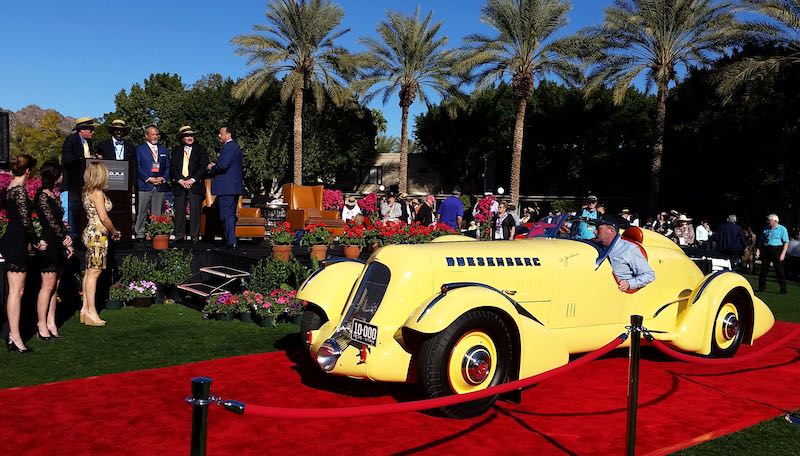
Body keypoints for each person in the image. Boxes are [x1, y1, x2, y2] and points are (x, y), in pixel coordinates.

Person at [1, 155, 47, 353]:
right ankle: (15, 336)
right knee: (16, 291)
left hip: (13, 238)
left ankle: (13, 335)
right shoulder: (19, 191)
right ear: (28, 171)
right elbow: (26, 221)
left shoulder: (10, 188)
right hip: (17, 240)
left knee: (16, 291)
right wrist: (37, 241)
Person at [34, 162, 74, 340]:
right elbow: (51, 223)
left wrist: (66, 238)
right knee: (47, 285)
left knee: (55, 285)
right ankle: (41, 324)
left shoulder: (52, 194)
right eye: (60, 174)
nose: (62, 177)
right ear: (54, 176)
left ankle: (51, 322)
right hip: (49, 243)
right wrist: (64, 238)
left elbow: (59, 222)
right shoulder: (41, 196)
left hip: (58, 242)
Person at [81, 162, 122, 326]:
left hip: (90, 232)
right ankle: (91, 311)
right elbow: (104, 218)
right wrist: (114, 232)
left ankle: (85, 309)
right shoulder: (97, 193)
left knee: (88, 272)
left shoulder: (87, 191)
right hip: (97, 236)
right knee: (94, 273)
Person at [61, 117, 100, 238]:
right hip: (72, 183)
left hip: (84, 182)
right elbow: (67, 159)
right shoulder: (71, 140)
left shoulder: (88, 142)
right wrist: (83, 160)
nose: (93, 132)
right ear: (82, 130)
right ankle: (68, 234)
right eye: (91, 129)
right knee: (69, 210)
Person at [170, 126, 209, 244]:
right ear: (182, 138)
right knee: (179, 209)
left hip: (195, 184)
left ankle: (194, 236)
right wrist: (180, 180)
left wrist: (192, 179)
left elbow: (203, 166)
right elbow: (172, 167)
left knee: (195, 210)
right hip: (179, 184)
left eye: (191, 135)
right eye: (187, 136)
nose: (190, 137)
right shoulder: (176, 150)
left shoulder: (200, 149)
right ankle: (179, 235)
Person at [207, 126, 243, 250]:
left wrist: (212, 167)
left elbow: (223, 165)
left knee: (226, 215)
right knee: (230, 214)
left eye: (221, 133)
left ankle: (231, 241)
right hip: (232, 187)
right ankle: (230, 240)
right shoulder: (234, 147)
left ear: (228, 134)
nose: (219, 135)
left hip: (227, 187)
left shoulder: (229, 147)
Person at [595, 220, 655, 292]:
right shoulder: (597, 244)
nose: (594, 232)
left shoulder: (629, 249)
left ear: (610, 231)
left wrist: (629, 284)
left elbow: (649, 275)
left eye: (598, 229)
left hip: (618, 294)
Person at [134, 125, 170, 240]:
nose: (155, 136)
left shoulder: (164, 149)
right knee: (142, 211)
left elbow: (168, 167)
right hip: (145, 185)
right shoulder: (139, 149)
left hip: (160, 185)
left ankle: (155, 233)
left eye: (157, 134)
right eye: (152, 134)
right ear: (146, 136)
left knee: (157, 212)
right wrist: (148, 178)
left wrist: (163, 178)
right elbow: (137, 167)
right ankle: (139, 233)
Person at [756, 214, 789, 294]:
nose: (768, 221)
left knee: (779, 271)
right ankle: (761, 288)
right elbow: (761, 240)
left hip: (777, 250)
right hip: (766, 250)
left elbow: (786, 242)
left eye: (769, 220)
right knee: (764, 270)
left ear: (775, 221)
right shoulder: (766, 228)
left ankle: (783, 289)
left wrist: (783, 253)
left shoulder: (782, 229)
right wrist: (758, 250)